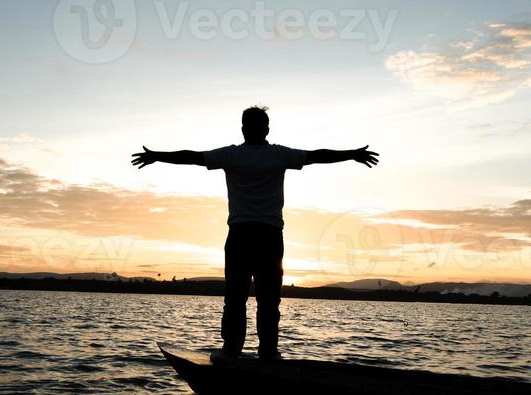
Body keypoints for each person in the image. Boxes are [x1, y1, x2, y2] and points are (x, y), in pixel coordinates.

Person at [131, 106, 378, 360]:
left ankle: (237, 351)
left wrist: (157, 156)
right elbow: (316, 156)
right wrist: (352, 154)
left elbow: (193, 157)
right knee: (264, 302)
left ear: (244, 129)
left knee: (240, 300)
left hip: (243, 236)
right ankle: (263, 352)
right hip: (267, 237)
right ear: (265, 129)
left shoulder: (235, 155)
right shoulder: (276, 154)